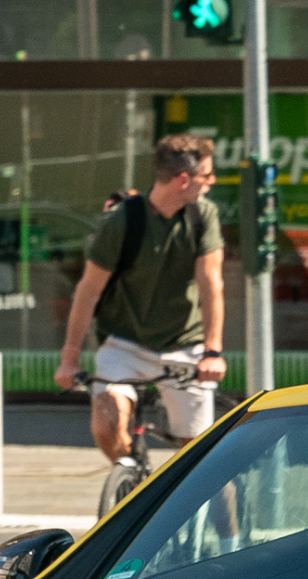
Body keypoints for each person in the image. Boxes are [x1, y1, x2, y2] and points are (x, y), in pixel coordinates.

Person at [55, 134, 227, 467]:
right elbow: (88, 290)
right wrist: (70, 357)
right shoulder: (122, 221)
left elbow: (211, 282)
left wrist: (212, 351)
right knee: (107, 426)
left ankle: (221, 520)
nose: (211, 183)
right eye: (206, 176)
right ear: (182, 180)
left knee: (202, 464)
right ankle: (131, 479)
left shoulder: (203, 216)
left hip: (184, 345)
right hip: (125, 345)